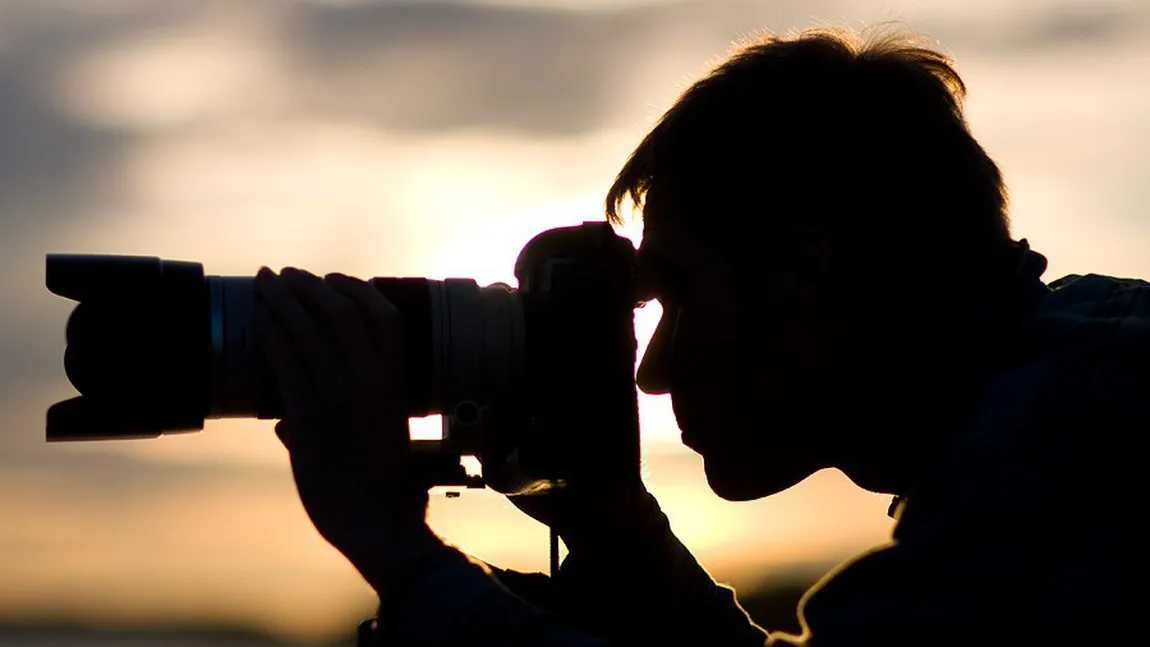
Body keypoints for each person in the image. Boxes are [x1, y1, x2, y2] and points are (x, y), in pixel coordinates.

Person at [254, 25, 1147, 646]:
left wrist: (393, 548)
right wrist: (614, 534)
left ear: (803, 268)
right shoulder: (1063, 372)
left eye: (676, 297)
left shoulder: (1063, 444)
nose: (649, 369)